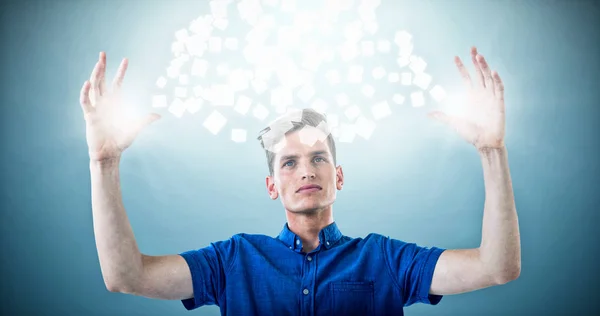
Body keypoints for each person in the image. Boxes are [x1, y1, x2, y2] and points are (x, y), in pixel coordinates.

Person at [80, 46, 521, 315]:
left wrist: (491, 151)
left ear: (339, 176)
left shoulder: (384, 259)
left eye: (318, 158)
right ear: (271, 185)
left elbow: (497, 268)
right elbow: (126, 276)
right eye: (288, 163)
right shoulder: (233, 261)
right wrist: (103, 163)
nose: (306, 170)